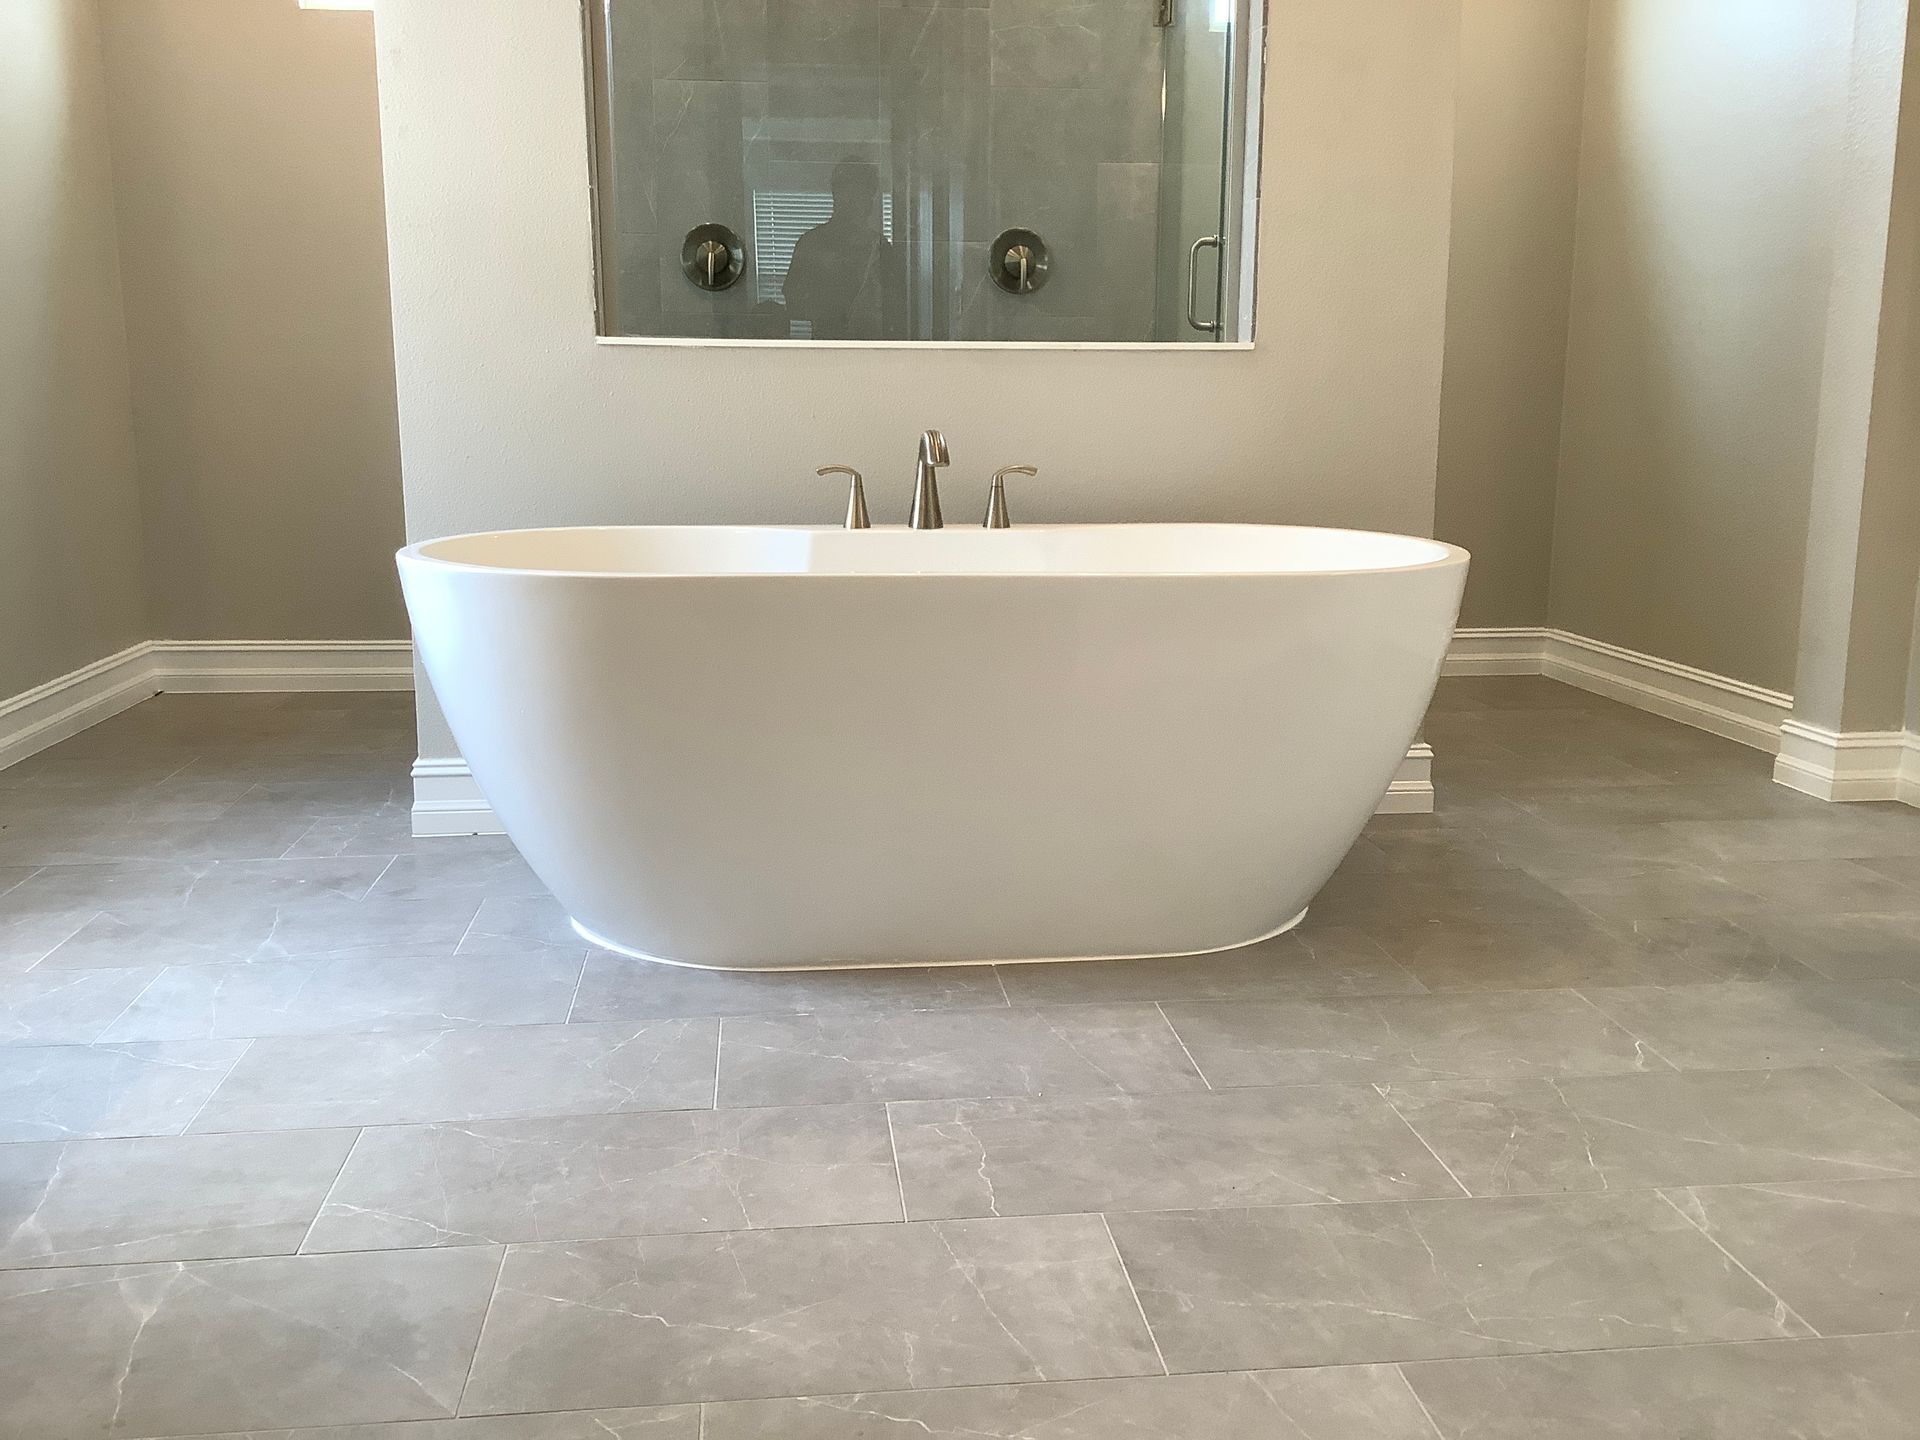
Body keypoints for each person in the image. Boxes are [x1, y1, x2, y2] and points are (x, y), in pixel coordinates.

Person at [783, 159, 904, 340]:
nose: (852, 202)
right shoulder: (810, 244)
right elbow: (794, 304)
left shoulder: (880, 248)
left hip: (872, 347)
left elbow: (896, 310)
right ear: (835, 196)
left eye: (861, 194)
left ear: (870, 201)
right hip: (826, 346)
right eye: (847, 193)